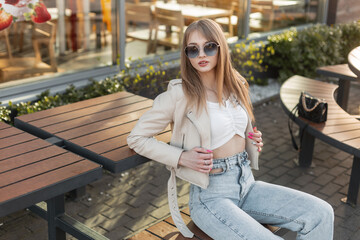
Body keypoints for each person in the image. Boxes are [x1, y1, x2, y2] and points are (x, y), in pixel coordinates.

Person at [127, 19, 334, 240]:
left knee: (321, 213)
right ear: (186, 55)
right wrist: (181, 157)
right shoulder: (179, 94)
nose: (201, 55)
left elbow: (232, 130)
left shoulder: (237, 84)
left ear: (220, 47)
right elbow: (137, 138)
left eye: (209, 46)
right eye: (193, 50)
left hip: (246, 185)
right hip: (210, 198)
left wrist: (251, 141)